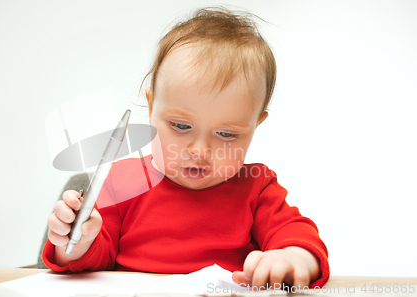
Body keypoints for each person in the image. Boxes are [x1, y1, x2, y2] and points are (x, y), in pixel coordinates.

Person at [42, 6, 330, 290]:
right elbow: (88, 265)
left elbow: (298, 235)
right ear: (152, 107)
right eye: (181, 126)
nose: (200, 150)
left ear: (256, 124)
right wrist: (76, 240)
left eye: (226, 133)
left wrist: (293, 257)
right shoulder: (120, 183)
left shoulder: (256, 188)